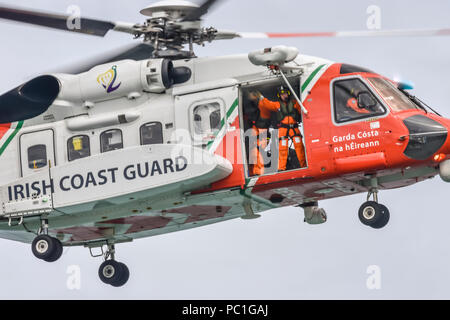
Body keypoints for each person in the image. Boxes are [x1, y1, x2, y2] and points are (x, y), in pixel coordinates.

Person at [250, 86, 306, 171]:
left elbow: (303, 109)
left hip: (294, 128)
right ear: (280, 96)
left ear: (289, 94)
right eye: (282, 94)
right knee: (282, 149)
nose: (284, 96)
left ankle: (303, 165)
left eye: (285, 93)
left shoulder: (295, 103)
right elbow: (268, 104)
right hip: (283, 129)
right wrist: (261, 97)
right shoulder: (277, 104)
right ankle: (281, 168)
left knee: (300, 148)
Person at [246, 91, 272, 176]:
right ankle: (256, 172)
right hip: (256, 132)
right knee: (254, 153)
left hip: (261, 132)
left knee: (258, 153)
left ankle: (259, 173)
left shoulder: (262, 105)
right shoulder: (253, 106)